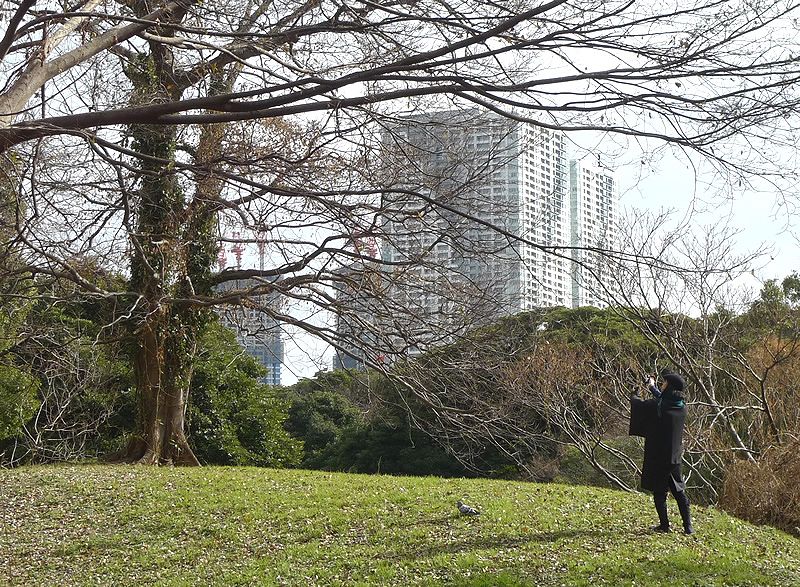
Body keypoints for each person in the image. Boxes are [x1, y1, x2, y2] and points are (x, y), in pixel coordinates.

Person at [629, 368, 694, 534]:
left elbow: (641, 406)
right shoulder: (681, 407)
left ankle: (664, 525)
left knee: (659, 492)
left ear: (670, 387)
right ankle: (688, 527)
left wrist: (634, 395)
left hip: (658, 456)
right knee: (679, 492)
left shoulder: (658, 408)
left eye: (664, 383)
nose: (662, 384)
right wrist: (651, 387)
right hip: (674, 457)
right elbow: (662, 399)